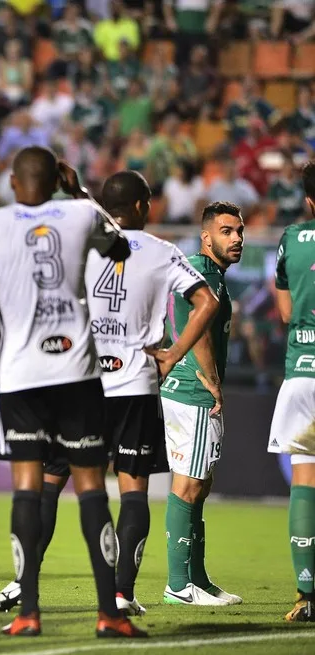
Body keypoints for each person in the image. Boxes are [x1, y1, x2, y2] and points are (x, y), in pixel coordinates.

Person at [0, 171, 220, 617]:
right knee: (133, 491)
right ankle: (120, 594)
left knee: (50, 485)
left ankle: (22, 583)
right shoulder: (164, 253)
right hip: (133, 384)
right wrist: (171, 355)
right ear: (145, 206)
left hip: (78, 381)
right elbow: (208, 302)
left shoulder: (79, 244)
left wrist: (76, 193)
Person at [0, 147, 144, 638]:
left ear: (14, 182)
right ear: (55, 179)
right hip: (77, 375)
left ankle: (29, 611)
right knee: (92, 490)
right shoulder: (80, 212)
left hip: (21, 378)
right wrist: (78, 190)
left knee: (27, 488)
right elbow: (121, 247)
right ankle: (109, 613)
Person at [160, 201, 244, 606]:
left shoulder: (201, 270)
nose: (238, 239)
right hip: (193, 391)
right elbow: (203, 334)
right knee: (188, 485)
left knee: (200, 483)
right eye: (227, 231)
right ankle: (178, 585)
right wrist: (212, 382)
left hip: (183, 387)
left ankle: (197, 578)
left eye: (240, 231)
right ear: (206, 236)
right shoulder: (204, 272)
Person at [268, 160, 315, 622]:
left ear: (308, 200)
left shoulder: (290, 240)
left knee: (304, 480)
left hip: (302, 372)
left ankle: (306, 594)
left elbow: (284, 312)